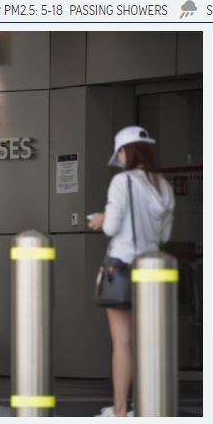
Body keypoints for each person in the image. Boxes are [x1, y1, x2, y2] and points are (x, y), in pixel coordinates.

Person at [87, 126, 175, 417]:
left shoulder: (122, 181)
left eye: (121, 153)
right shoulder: (163, 186)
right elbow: (164, 236)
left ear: (126, 151)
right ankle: (150, 405)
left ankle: (121, 410)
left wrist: (102, 219)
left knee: (123, 342)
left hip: (122, 265)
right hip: (153, 270)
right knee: (149, 340)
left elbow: (112, 227)